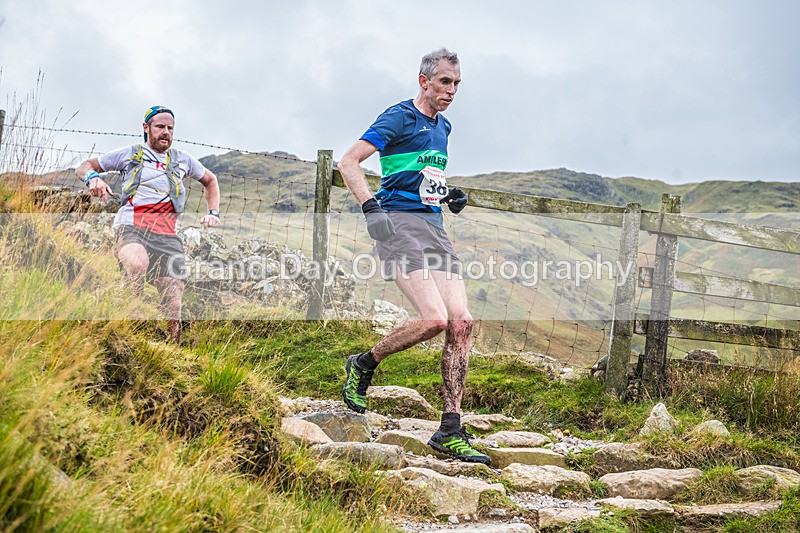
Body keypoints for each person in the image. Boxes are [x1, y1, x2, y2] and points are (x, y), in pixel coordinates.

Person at [338, 48, 489, 465]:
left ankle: (450, 428)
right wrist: (371, 209)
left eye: (457, 83)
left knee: (461, 323)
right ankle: (364, 364)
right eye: (445, 82)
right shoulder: (399, 116)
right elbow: (349, 162)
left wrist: (449, 194)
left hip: (433, 227)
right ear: (424, 81)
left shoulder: (445, 127)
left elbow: (424, 177)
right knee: (433, 319)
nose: (452, 90)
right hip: (397, 225)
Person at [75, 106, 221, 343]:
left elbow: (210, 180)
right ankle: (129, 328)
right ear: (146, 128)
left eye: (170, 128)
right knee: (136, 264)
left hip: (167, 234)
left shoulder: (182, 160)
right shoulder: (130, 153)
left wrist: (213, 212)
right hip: (132, 225)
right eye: (160, 127)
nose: (166, 132)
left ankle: (173, 351)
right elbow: (84, 166)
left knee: (173, 297)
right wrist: (94, 179)